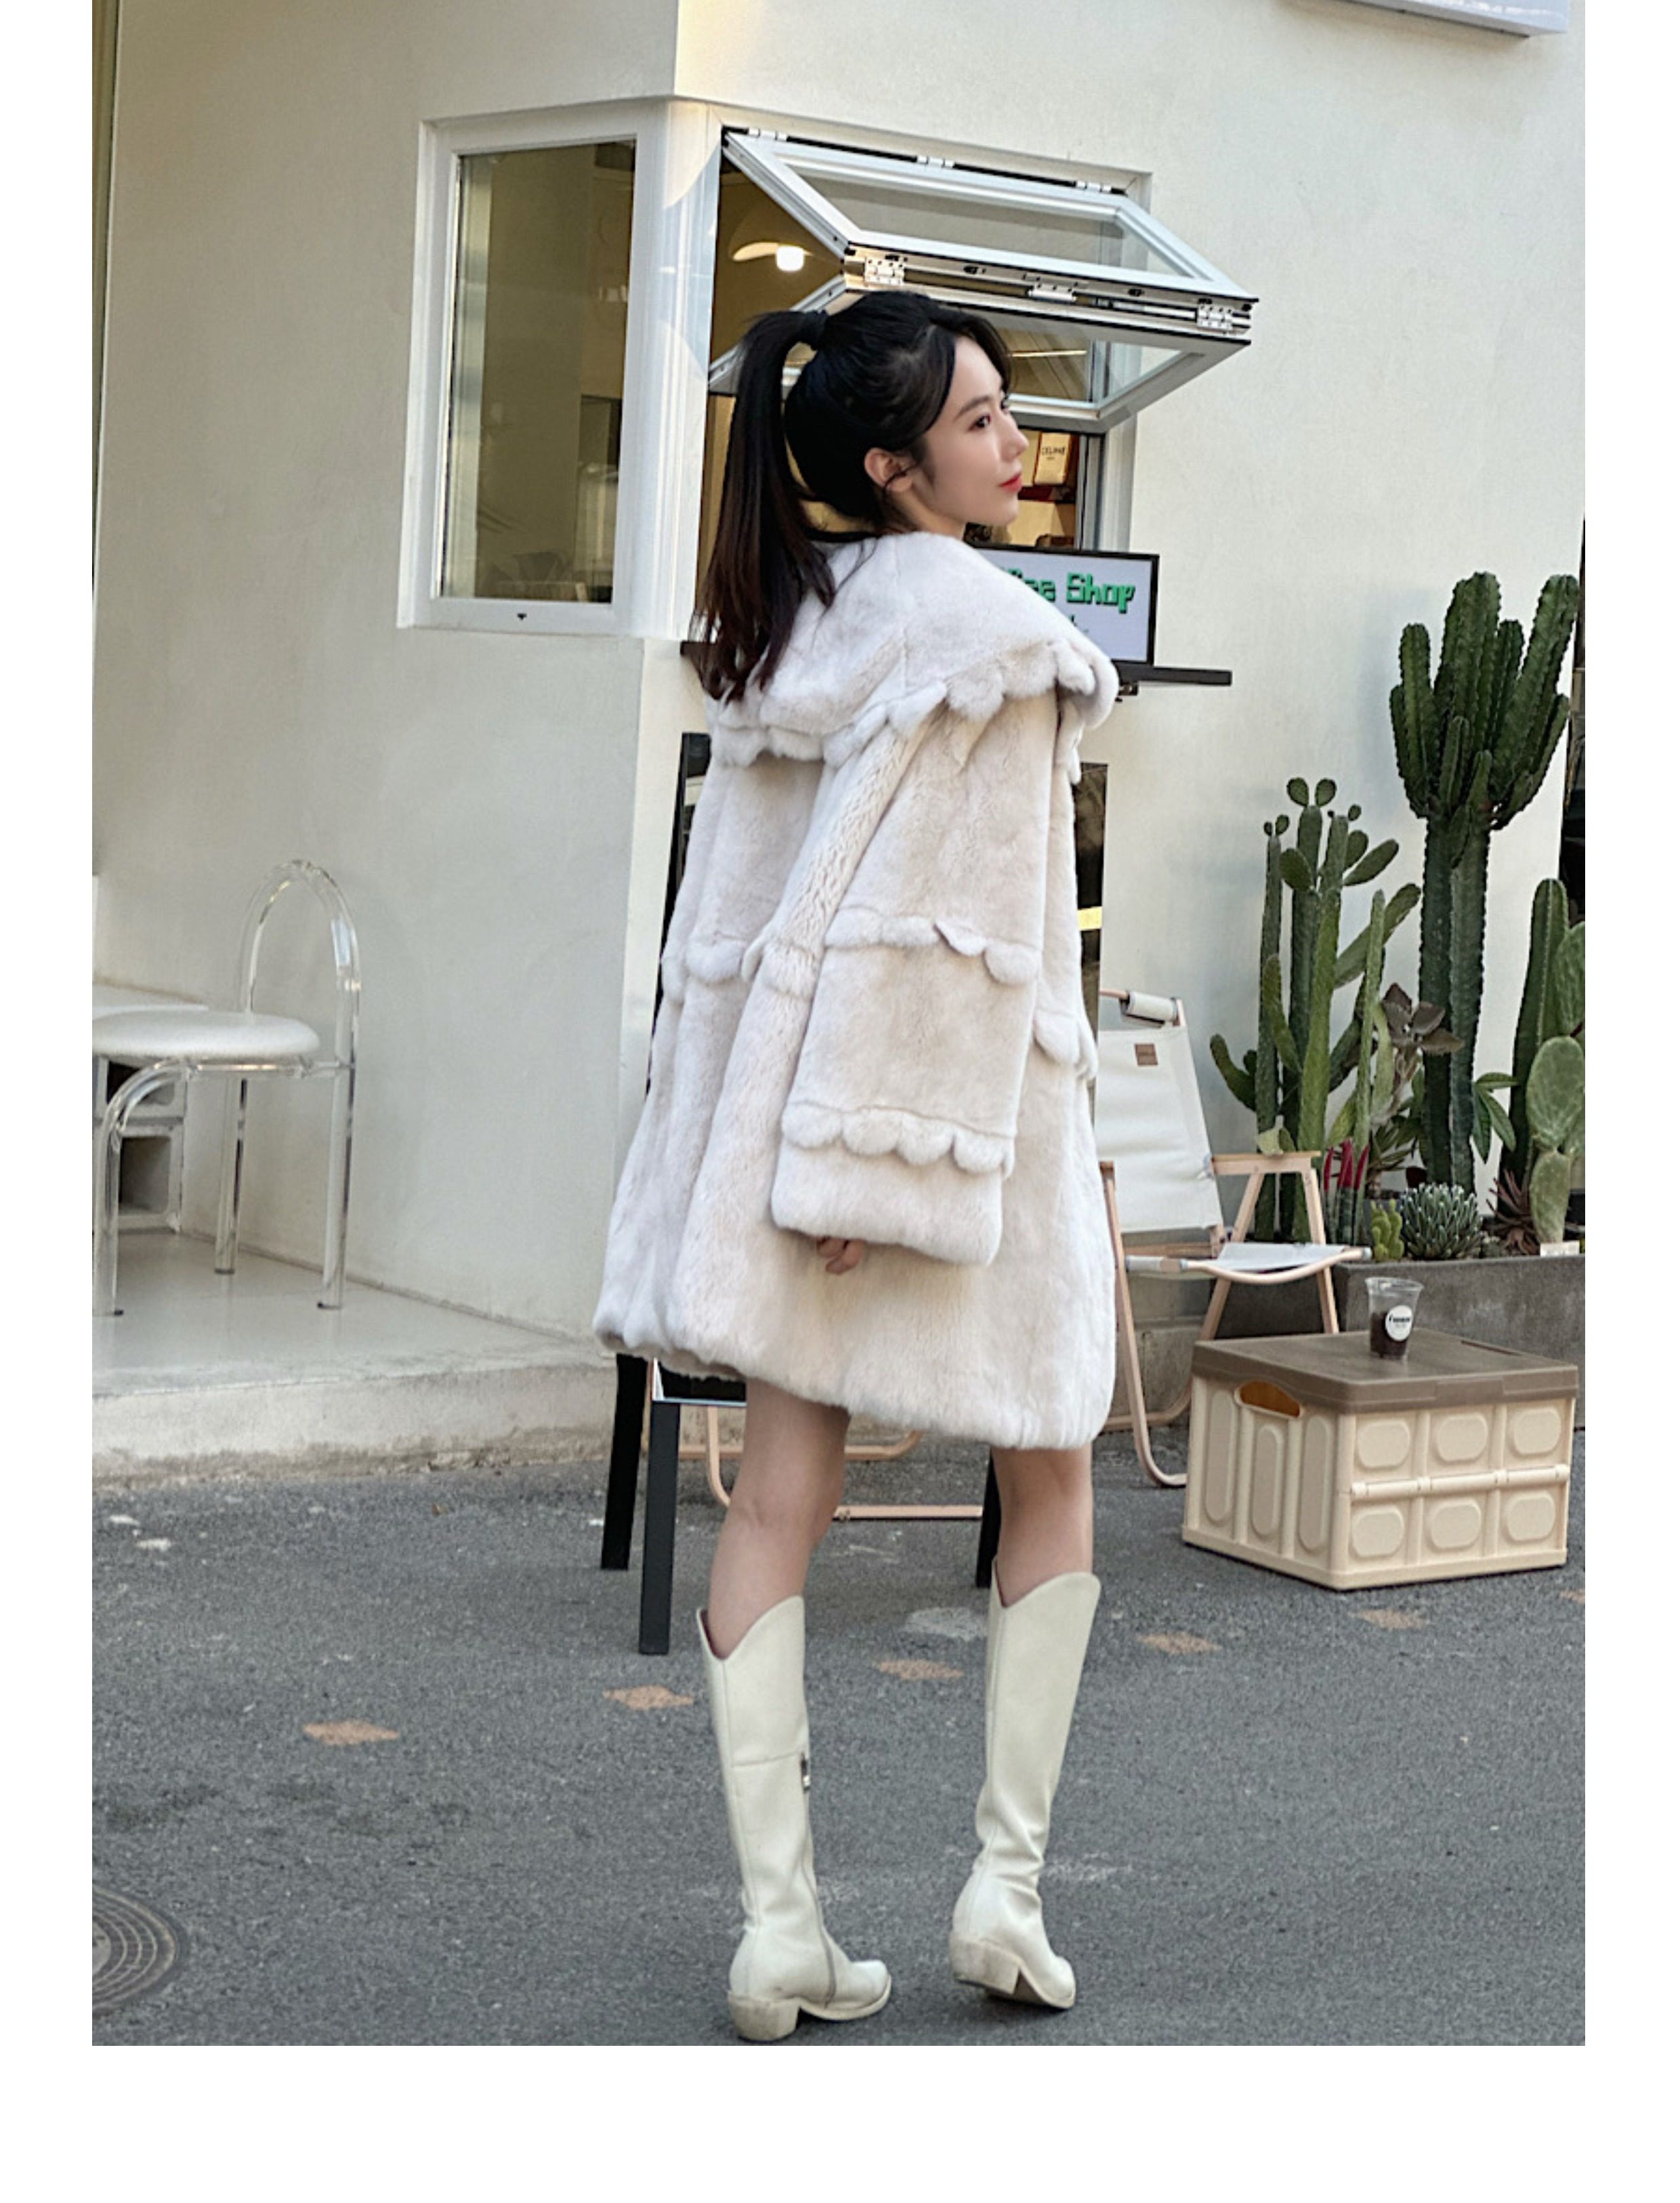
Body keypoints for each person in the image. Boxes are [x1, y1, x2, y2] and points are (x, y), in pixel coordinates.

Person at [592, 289, 1120, 2042]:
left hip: (802, 1135)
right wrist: (868, 1179)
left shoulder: (791, 629)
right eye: (978, 421)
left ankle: (781, 1933)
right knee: (1053, 1466)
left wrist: (804, 1165)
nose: (1016, 442)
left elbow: (751, 917)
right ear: (897, 468)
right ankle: (1005, 1893)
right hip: (956, 1138)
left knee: (773, 1503)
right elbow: (936, 937)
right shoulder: (996, 638)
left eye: (1006, 410)